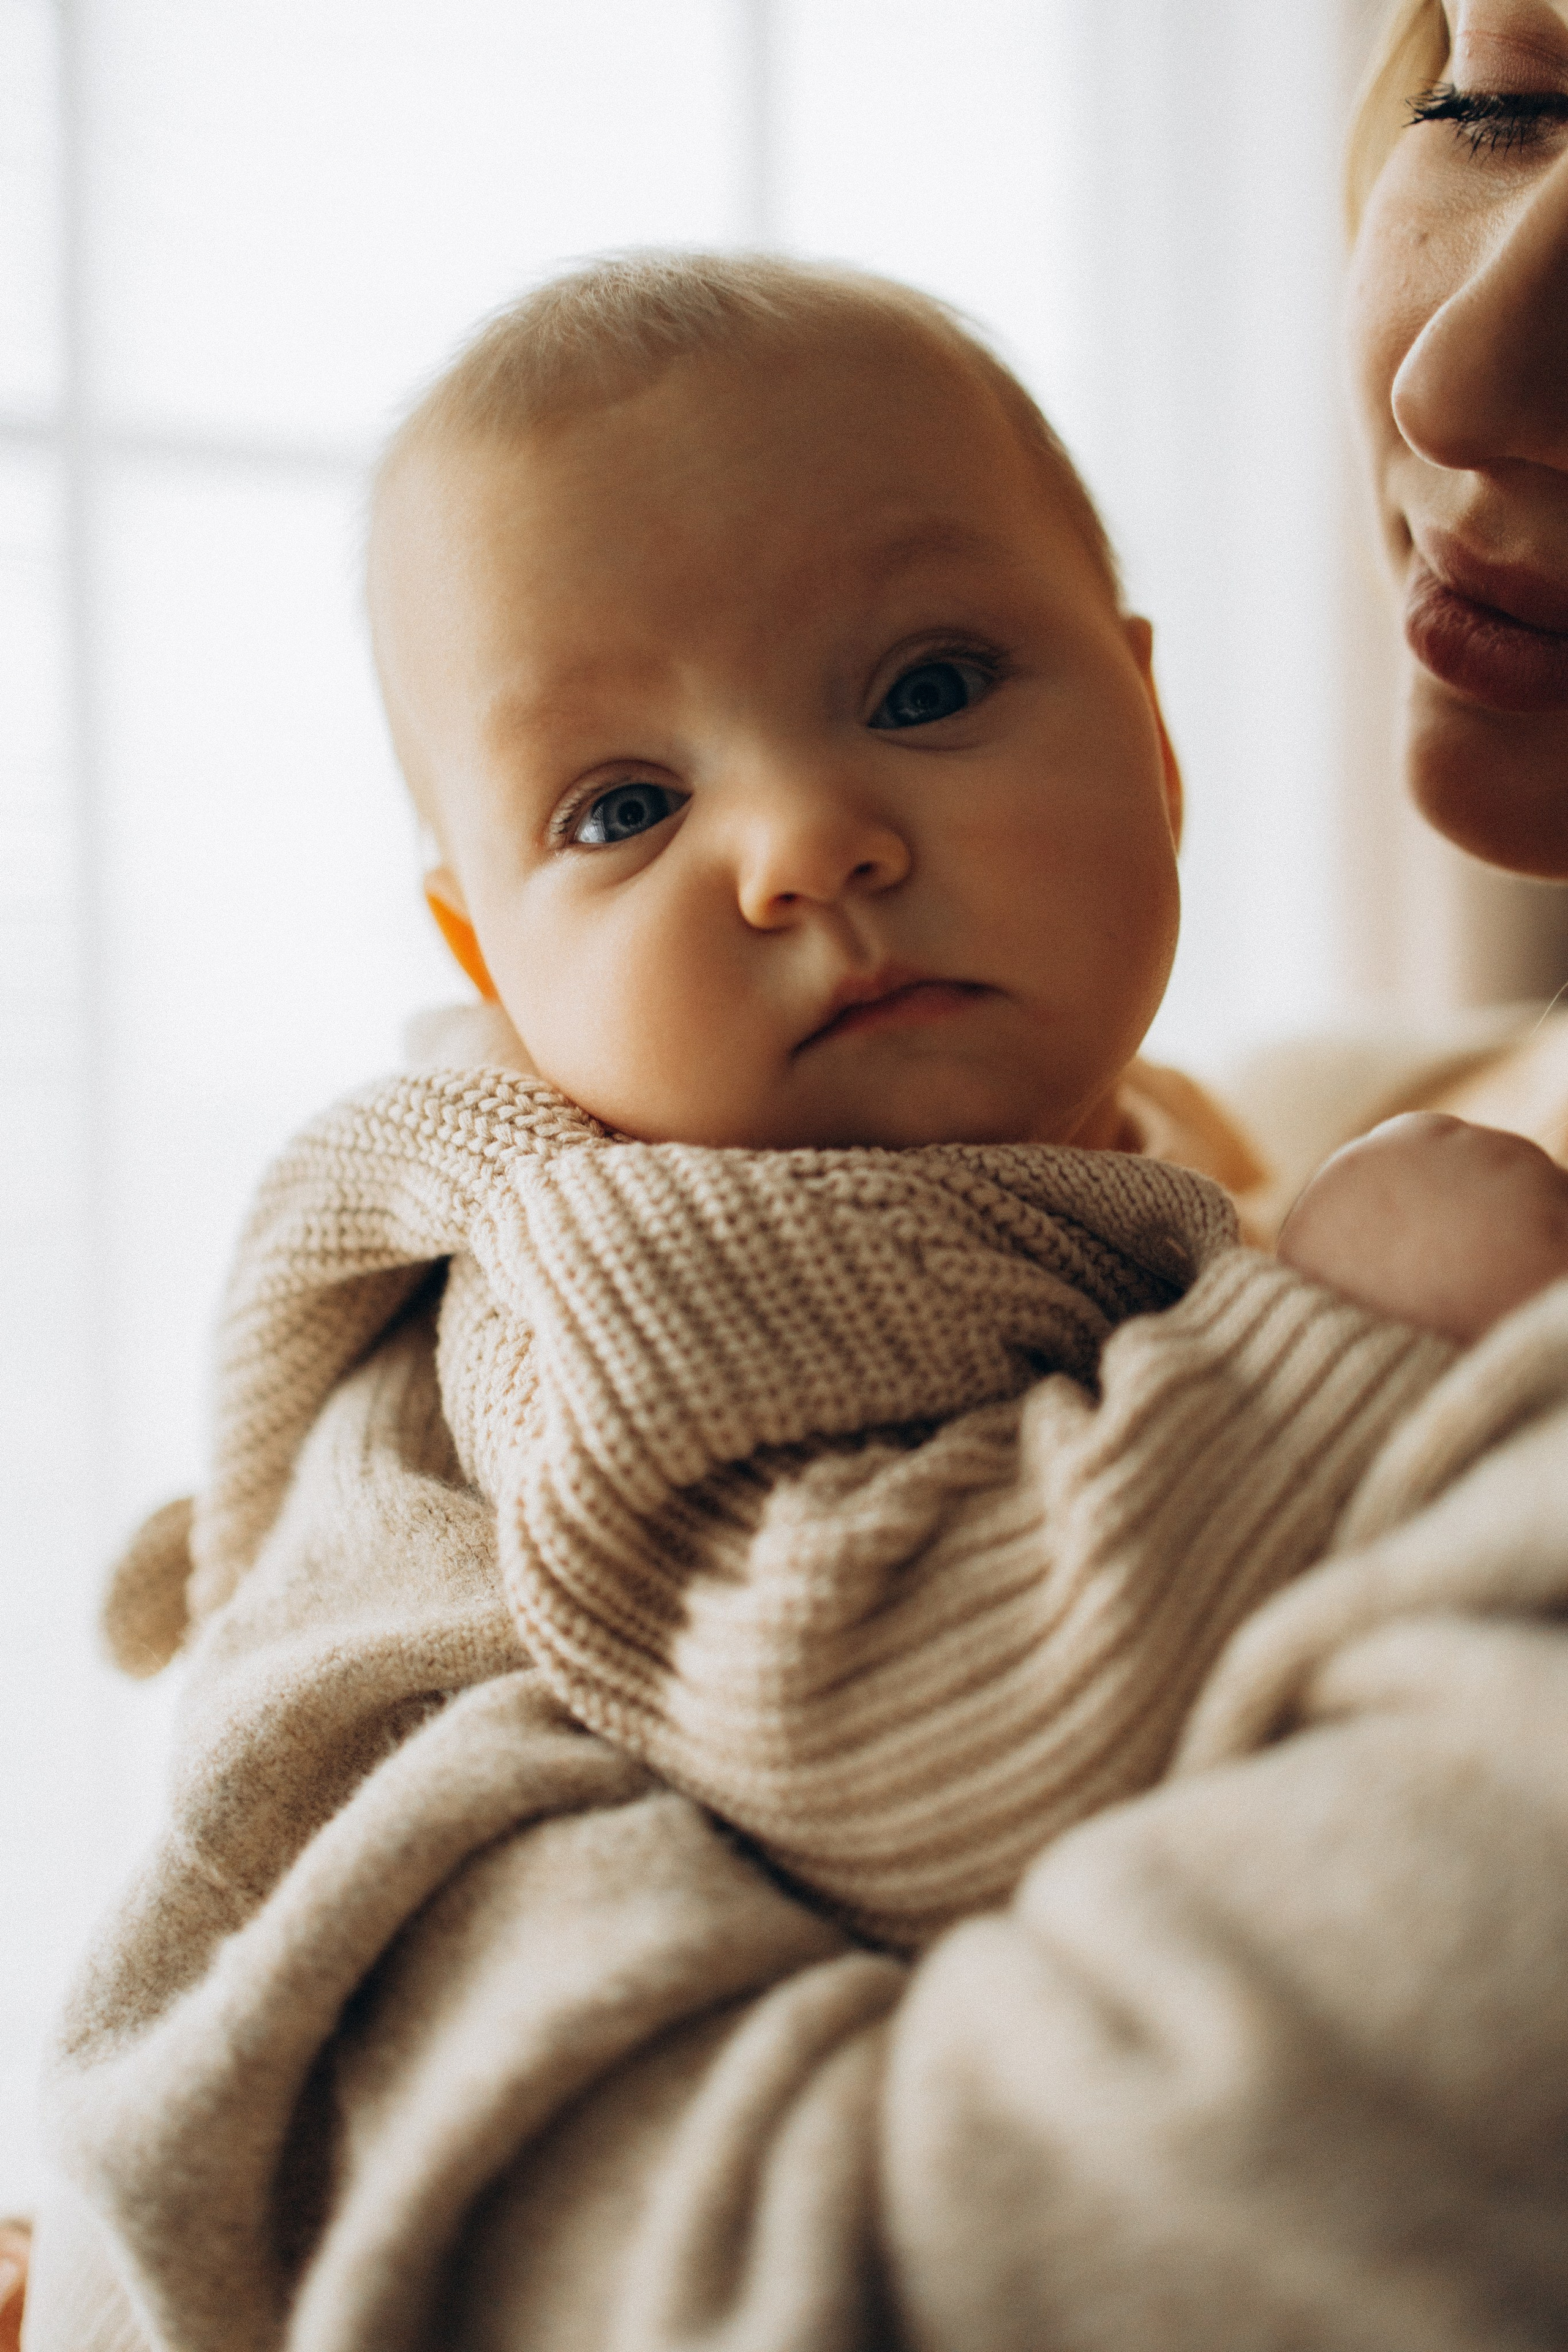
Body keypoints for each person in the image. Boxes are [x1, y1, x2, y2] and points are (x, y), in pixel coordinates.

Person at [24, 4, 1568, 2334]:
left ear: (1155, 729)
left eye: (931, 688)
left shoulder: (1138, 1153)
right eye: (623, 810)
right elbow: (868, 1697)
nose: (803, 843)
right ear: (483, 959)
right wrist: (1317, 1345)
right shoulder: (648, 1255)